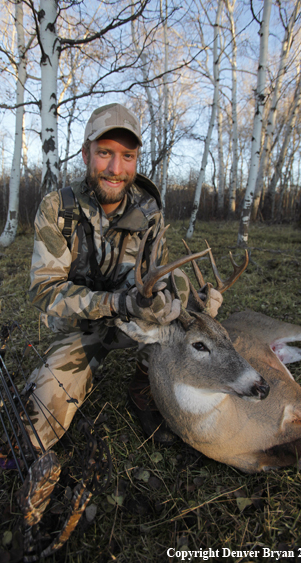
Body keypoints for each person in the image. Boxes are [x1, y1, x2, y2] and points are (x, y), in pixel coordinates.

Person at [27, 102, 222, 452]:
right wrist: (116, 301)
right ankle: (65, 379)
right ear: (86, 153)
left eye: (127, 156)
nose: (116, 169)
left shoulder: (149, 210)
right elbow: (44, 290)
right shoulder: (58, 209)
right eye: (104, 153)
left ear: (136, 160)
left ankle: (143, 387)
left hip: (134, 320)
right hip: (80, 327)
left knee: (180, 315)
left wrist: (180, 299)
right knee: (37, 426)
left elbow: (162, 273)